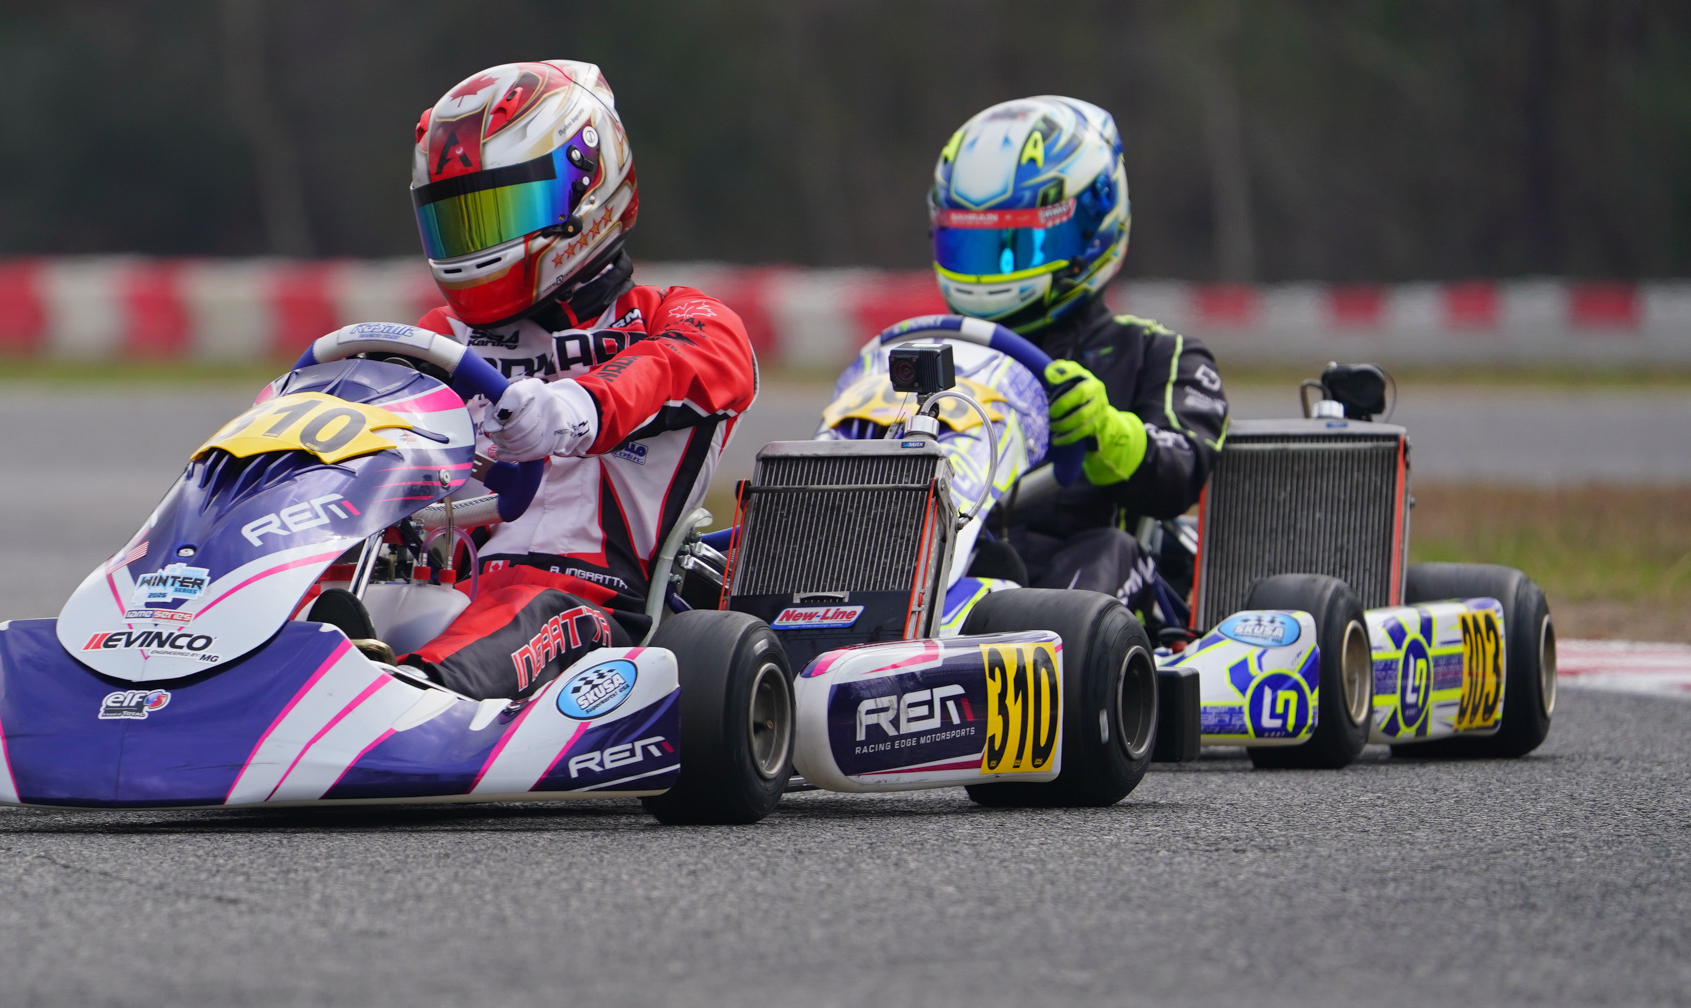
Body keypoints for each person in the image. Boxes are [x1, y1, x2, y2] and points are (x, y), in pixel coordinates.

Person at [392, 60, 758, 701]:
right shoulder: (442, 340)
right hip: (442, 587)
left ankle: (407, 700)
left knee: (525, 612)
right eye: (460, 221)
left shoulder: (677, 320)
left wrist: (569, 407)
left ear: (586, 194)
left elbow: (665, 371)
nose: (477, 243)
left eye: (500, 212)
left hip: (590, 609)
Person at [825, 95, 1227, 619]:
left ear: (1093, 227)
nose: (995, 270)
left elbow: (1179, 470)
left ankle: (1063, 662)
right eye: (976, 247)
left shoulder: (1158, 354)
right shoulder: (923, 358)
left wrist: (1106, 431)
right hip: (947, 577)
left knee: (1109, 550)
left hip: (1083, 595)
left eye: (1021, 245)